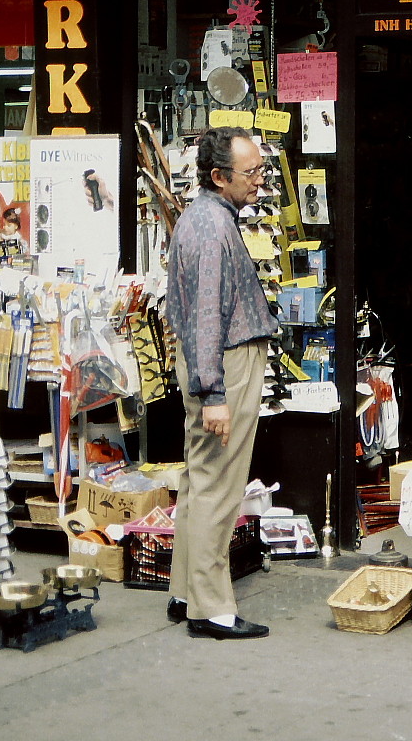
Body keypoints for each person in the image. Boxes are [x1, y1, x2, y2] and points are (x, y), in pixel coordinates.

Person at [165, 127, 278, 640]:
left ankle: (187, 590)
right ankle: (211, 608)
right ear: (218, 177)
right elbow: (206, 313)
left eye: (261, 169)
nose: (260, 180)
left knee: (198, 478)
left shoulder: (202, 218)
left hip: (212, 362)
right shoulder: (212, 227)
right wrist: (214, 394)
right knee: (218, 484)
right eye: (251, 172)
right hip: (225, 365)